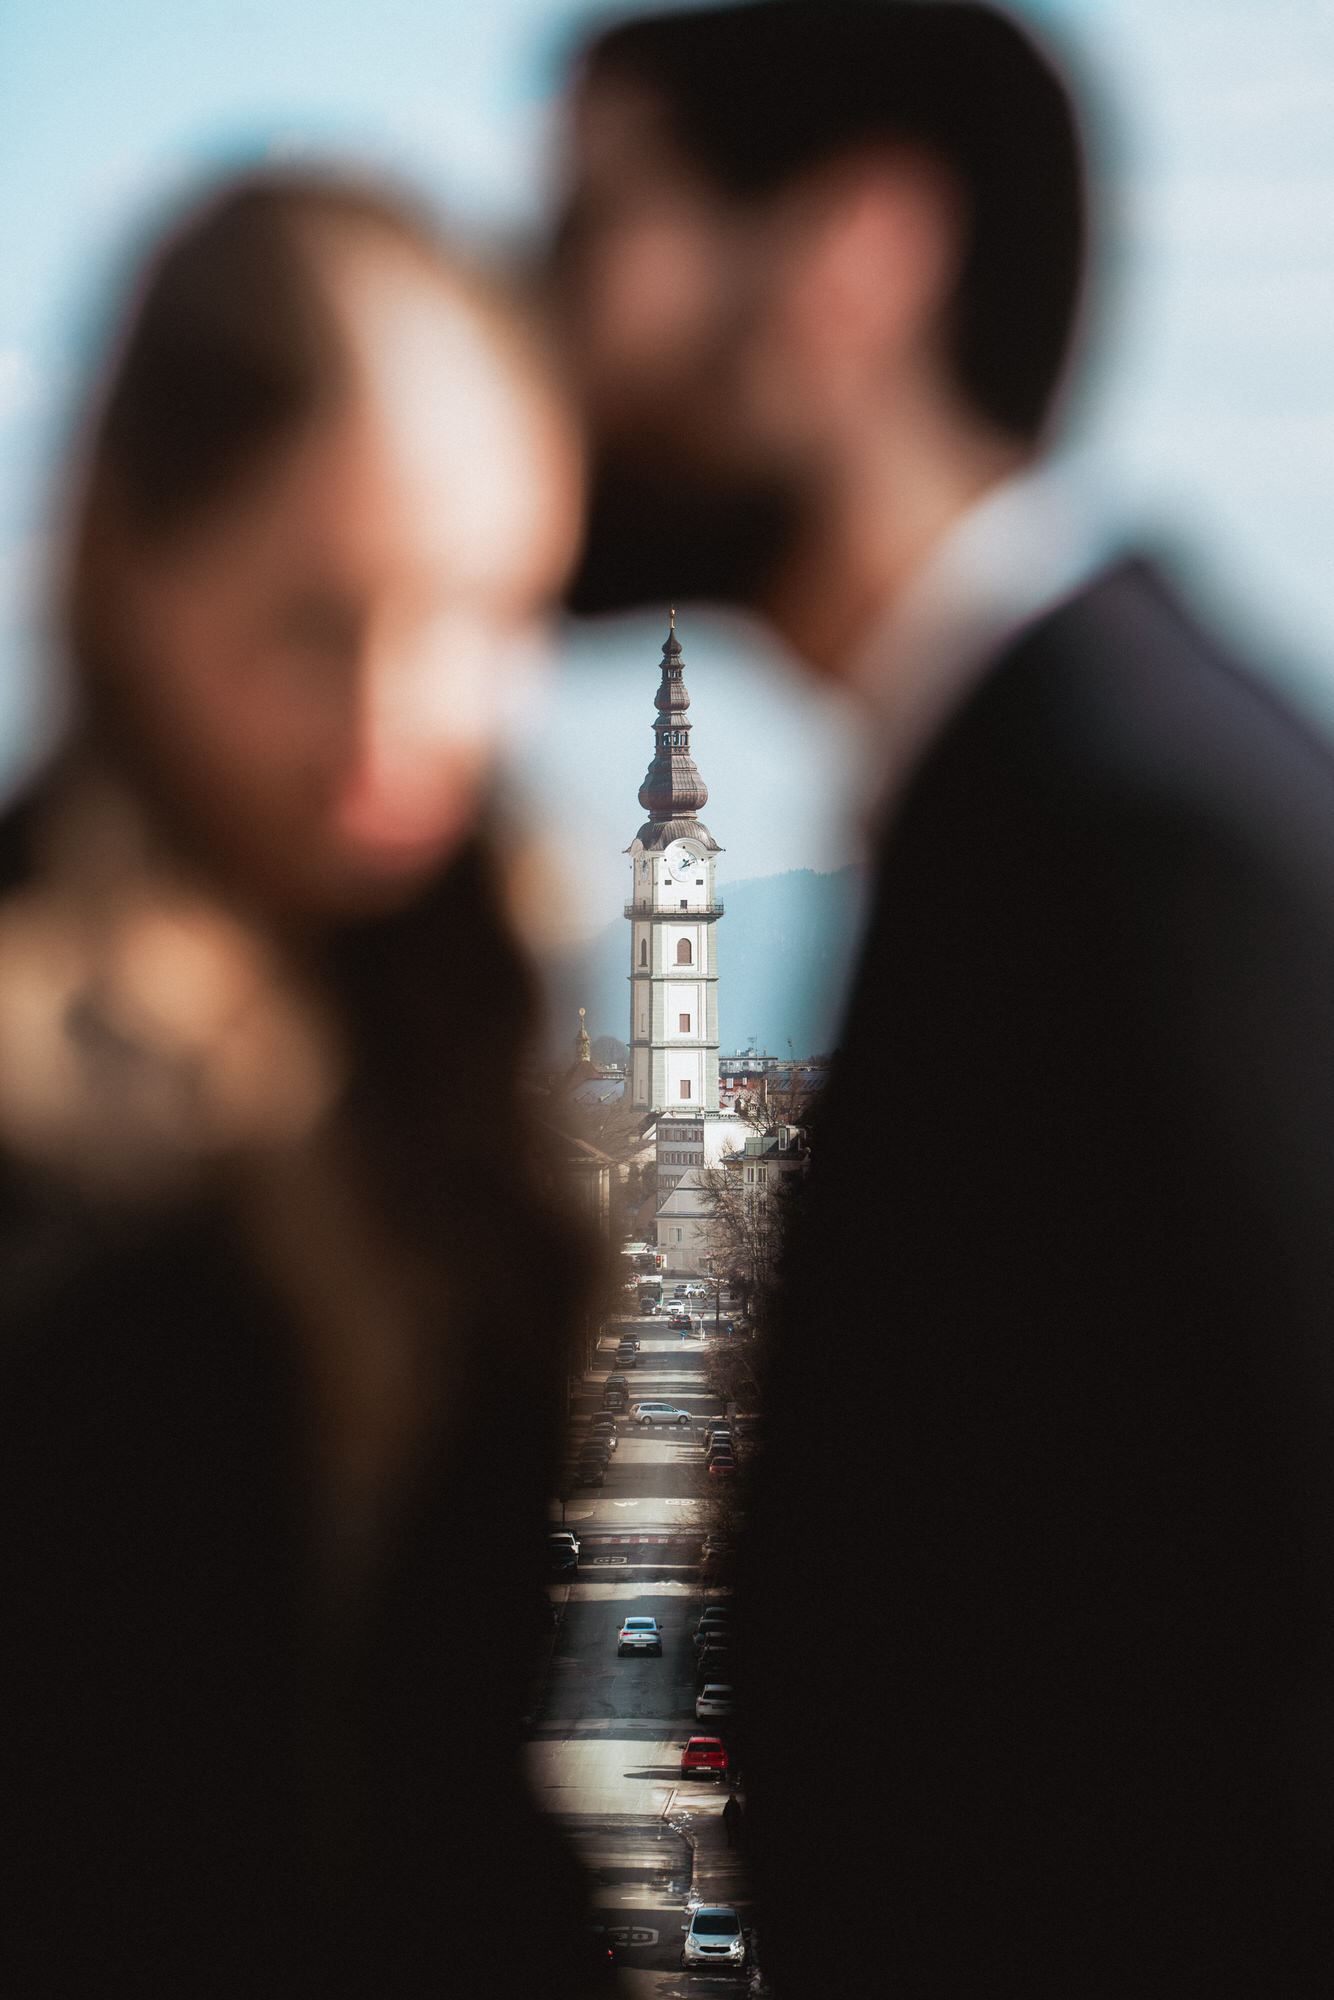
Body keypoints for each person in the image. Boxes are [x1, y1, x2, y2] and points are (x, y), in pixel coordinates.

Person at [555, 3, 1334, 1992]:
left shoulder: (1133, 849)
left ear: (850, 263)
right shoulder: (1065, 800)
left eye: (590, 234)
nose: (540, 329)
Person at [0, 171, 601, 1995]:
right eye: (313, 621)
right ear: (120, 565)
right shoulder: (38, 1100)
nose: (396, 719)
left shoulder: (474, 1012)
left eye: (484, 617)